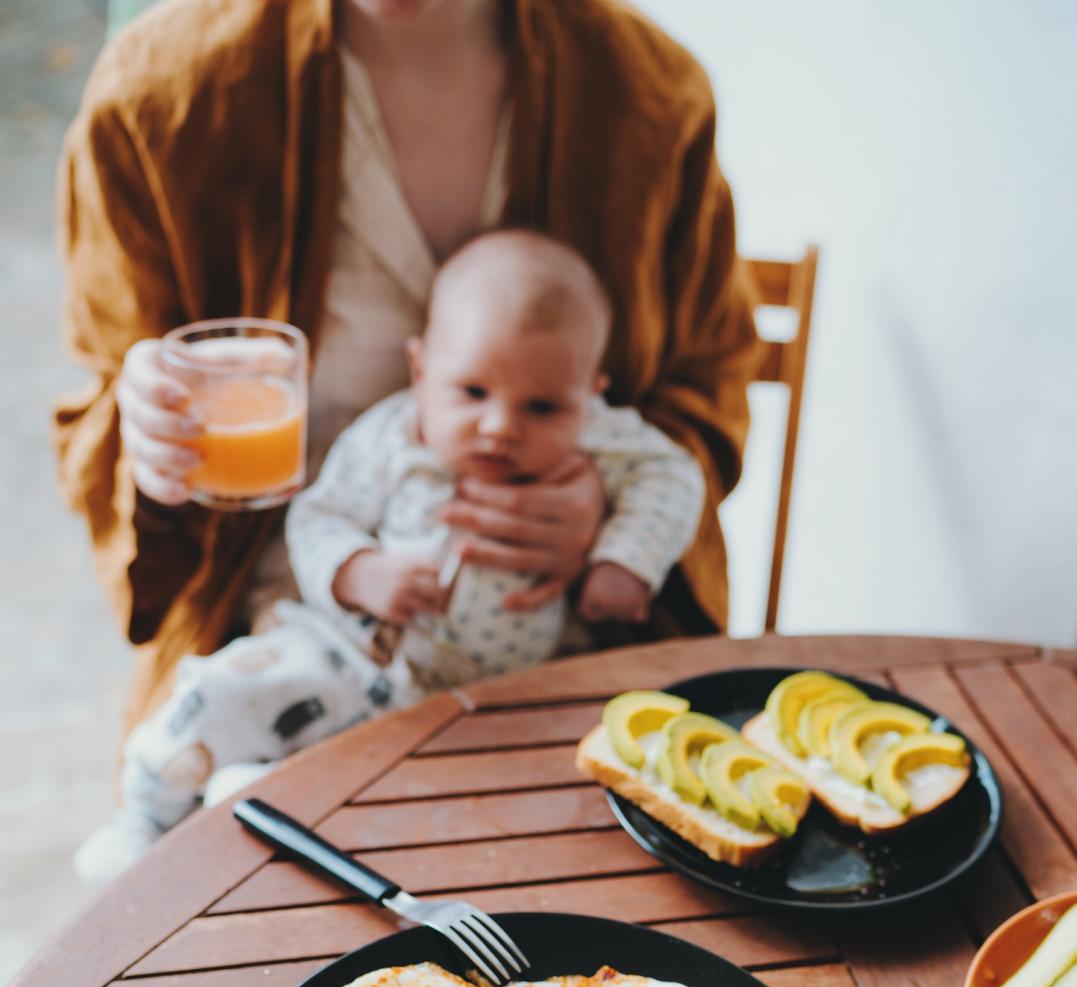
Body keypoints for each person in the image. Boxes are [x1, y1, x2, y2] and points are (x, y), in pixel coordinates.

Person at [55, 0, 756, 743]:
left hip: (569, 654)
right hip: (276, 637)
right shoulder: (158, 97)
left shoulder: (649, 93)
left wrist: (615, 521)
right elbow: (99, 420)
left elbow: (708, 390)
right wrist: (152, 440)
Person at [74, 230, 705, 883]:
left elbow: (674, 477)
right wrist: (360, 573)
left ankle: (262, 791)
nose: (500, 427)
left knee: (483, 806)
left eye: (542, 407)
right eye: (472, 392)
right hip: (353, 654)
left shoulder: (604, 437)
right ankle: (145, 815)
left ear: (591, 394)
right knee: (226, 689)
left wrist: (624, 561)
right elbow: (319, 517)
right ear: (420, 368)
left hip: (505, 692)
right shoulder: (390, 436)